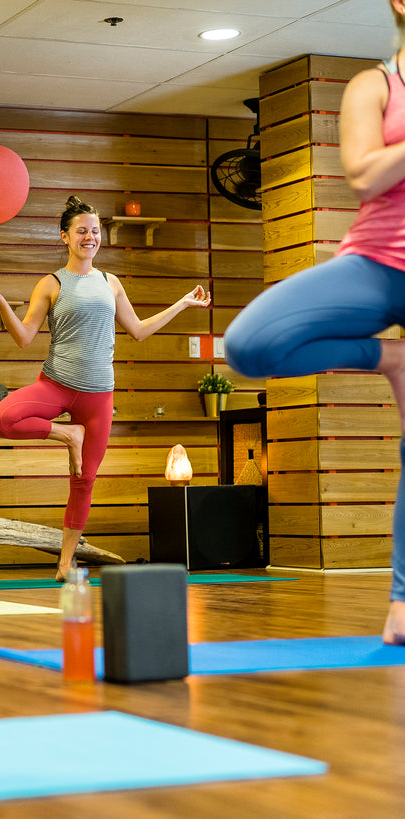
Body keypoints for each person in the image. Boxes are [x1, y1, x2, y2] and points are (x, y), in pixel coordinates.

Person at [224, 0, 405, 646]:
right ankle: (388, 359)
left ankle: (402, 601)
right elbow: (362, 172)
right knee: (248, 344)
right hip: (377, 262)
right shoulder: (375, 85)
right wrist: (382, 354)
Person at [0, 196, 211, 580]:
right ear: (65, 236)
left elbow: (137, 331)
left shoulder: (110, 283)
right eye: (82, 231)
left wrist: (182, 304)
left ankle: (66, 563)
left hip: (99, 394)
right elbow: (23, 338)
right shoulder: (51, 283)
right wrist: (0, 300)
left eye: (95, 231)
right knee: (0, 419)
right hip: (56, 383)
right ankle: (69, 434)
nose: (90, 237)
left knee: (84, 481)